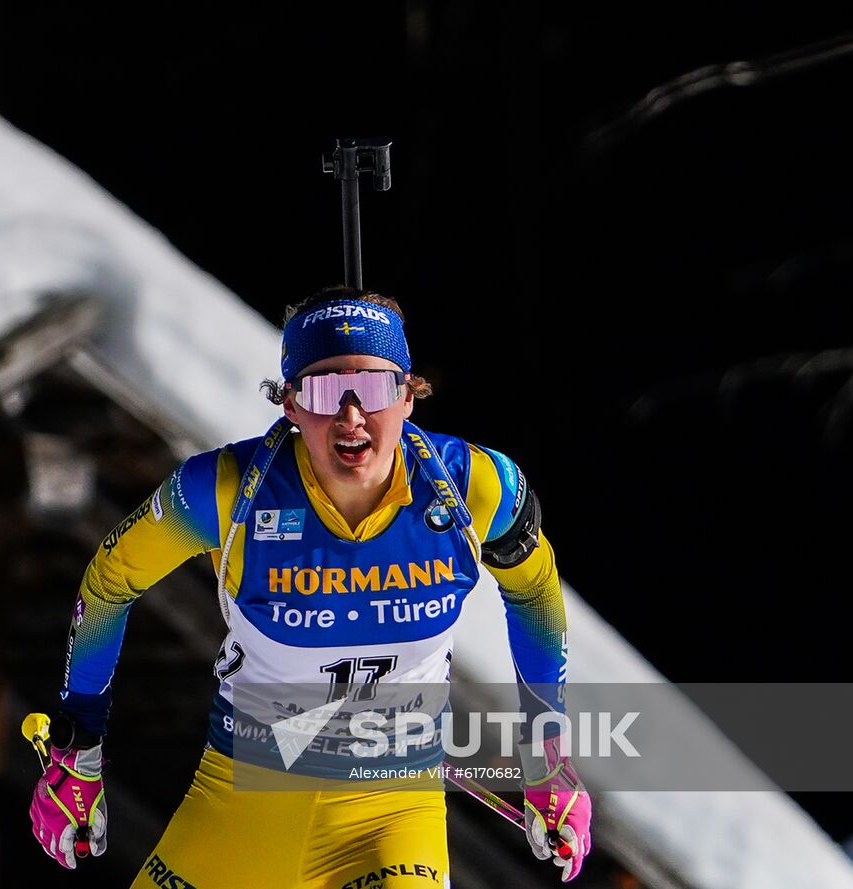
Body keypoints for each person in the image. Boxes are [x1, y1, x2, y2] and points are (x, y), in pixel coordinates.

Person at [29, 287, 593, 887]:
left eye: (374, 387)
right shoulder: (225, 491)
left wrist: (547, 753)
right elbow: (111, 581)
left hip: (390, 813)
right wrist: (76, 749)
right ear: (291, 405)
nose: (351, 415)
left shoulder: (475, 489)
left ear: (407, 396)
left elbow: (533, 593)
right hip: (240, 804)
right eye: (325, 389)